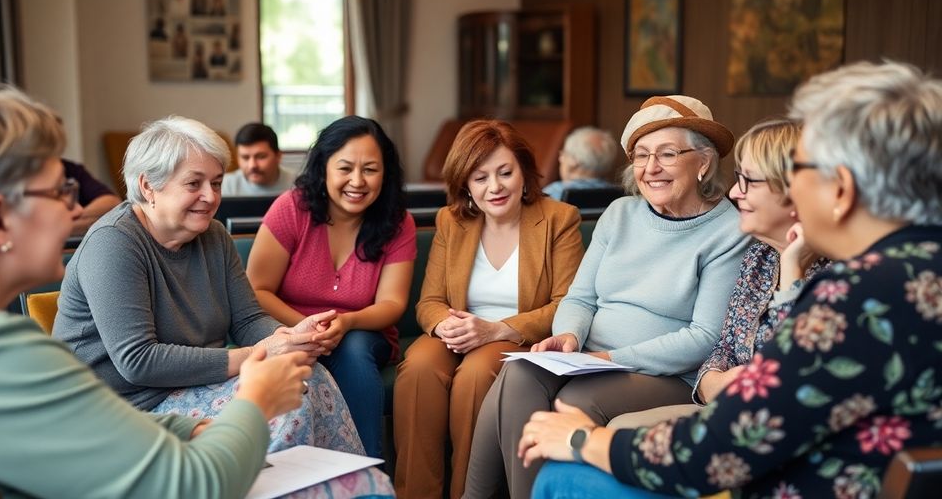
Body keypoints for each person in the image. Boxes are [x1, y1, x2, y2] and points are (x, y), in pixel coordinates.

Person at [523, 61, 942, 498]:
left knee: (563, 478)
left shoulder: (858, 296)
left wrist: (582, 440)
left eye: (799, 172)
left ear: (841, 188)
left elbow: (718, 452)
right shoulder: (916, 269)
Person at [0, 86, 312, 497]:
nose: (74, 211)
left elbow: (69, 424)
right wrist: (255, 401)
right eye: (59, 192)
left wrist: (181, 425)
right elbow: (196, 487)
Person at [464, 95, 750, 499]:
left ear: (703, 161)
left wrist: (609, 359)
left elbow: (702, 338)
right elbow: (580, 298)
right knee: (521, 371)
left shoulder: (729, 231)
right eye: (642, 155)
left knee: (576, 398)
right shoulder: (619, 213)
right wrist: (569, 338)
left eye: (667, 154)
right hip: (589, 357)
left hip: (665, 374)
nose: (651, 169)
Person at [51, 116, 378, 465]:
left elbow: (249, 318)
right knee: (279, 406)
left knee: (307, 373)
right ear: (148, 186)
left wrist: (289, 336)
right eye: (194, 183)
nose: (210, 197)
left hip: (185, 389)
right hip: (121, 408)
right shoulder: (114, 244)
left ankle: (346, 488)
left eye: (217, 183)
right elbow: (138, 361)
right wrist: (260, 353)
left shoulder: (214, 236)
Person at [394, 120, 584, 498]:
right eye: (479, 178)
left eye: (504, 173)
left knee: (478, 375)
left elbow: (568, 303)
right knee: (417, 369)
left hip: (514, 335)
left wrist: (497, 330)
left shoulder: (559, 219)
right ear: (465, 184)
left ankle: (468, 492)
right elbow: (429, 302)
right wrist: (444, 326)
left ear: (524, 173)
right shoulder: (452, 220)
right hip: (458, 331)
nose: (494, 187)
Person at [603, 118, 832, 431]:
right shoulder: (759, 257)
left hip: (777, 428)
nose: (735, 193)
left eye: (748, 181)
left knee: (616, 432)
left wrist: (793, 270)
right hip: (728, 408)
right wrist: (712, 382)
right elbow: (724, 344)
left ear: (795, 191)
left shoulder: (837, 273)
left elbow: (792, 376)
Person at [246, 116, 416, 459]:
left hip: (363, 332)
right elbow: (257, 289)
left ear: (386, 173)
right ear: (323, 167)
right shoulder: (292, 209)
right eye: (345, 168)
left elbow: (392, 303)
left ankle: (365, 478)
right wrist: (307, 330)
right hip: (290, 328)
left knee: (351, 348)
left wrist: (347, 322)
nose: (357, 181)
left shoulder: (398, 222)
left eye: (370, 169)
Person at [542, 126, 618, 200]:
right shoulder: (618, 194)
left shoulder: (555, 192)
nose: (560, 158)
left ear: (573, 161)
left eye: (564, 154)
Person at [222, 122, 296, 196]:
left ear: (278, 156)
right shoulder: (226, 185)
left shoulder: (298, 184)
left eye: (261, 157)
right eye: (245, 158)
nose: (252, 165)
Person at [61, 159, 121, 236]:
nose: (79, 210)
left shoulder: (69, 168)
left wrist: (64, 226)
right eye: (60, 192)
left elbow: (113, 202)